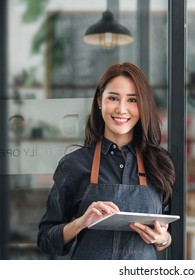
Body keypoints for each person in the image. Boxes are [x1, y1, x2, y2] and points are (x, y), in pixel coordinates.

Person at [37, 62, 175, 260]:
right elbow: (45, 239)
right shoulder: (73, 165)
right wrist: (82, 222)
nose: (121, 109)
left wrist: (162, 239)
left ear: (142, 105)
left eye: (132, 100)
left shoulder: (160, 163)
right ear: (100, 101)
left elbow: (170, 237)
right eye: (113, 98)